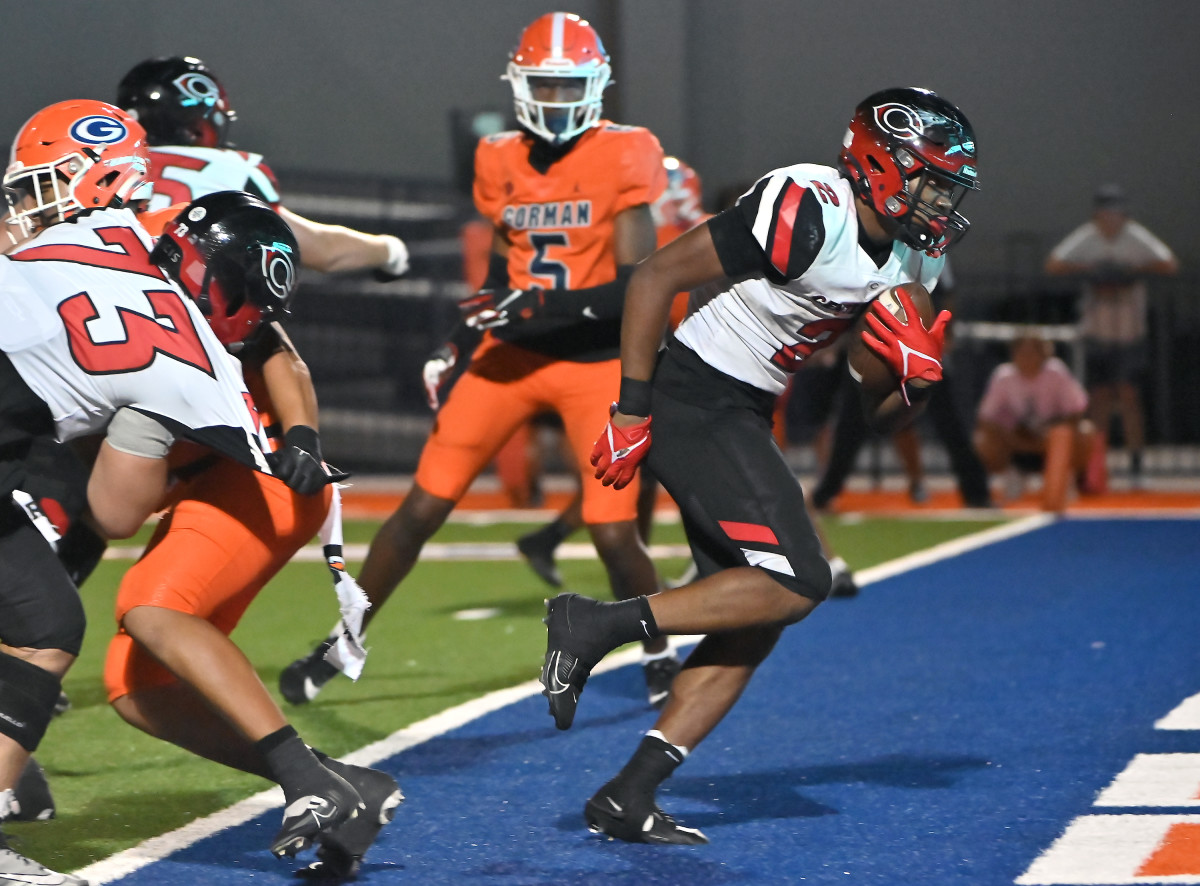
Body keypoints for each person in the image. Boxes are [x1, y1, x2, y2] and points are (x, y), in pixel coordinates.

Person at [541, 86, 976, 844]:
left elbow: (875, 414)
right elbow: (652, 277)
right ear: (881, 162)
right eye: (931, 179)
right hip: (693, 392)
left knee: (758, 614)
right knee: (800, 580)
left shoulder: (915, 258)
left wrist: (915, 377)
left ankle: (629, 793)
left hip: (741, 408)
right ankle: (597, 621)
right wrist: (632, 409)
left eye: (948, 186)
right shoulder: (809, 206)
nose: (940, 202)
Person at [282, 11, 680, 708]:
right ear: (521, 87)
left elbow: (635, 287)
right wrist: (456, 342)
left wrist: (536, 310)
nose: (556, 102)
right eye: (544, 87)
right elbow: (500, 281)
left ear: (595, 87)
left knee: (616, 534)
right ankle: (346, 640)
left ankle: (657, 644)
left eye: (568, 87)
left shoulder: (626, 152)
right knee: (419, 509)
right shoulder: (498, 156)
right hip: (507, 359)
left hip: (591, 363)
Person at [0, 99, 275, 884]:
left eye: (37, 187)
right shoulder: (164, 273)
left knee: (44, 619)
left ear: (91, 183)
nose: (22, 205)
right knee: (42, 616)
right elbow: (117, 515)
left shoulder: (49, 255)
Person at [102, 191, 400, 877]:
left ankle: (308, 781)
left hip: (264, 476)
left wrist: (299, 435)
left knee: (152, 607)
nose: (173, 269)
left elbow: (275, 350)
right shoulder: (134, 266)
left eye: (191, 264)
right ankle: (346, 787)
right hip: (211, 478)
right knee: (135, 685)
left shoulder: (234, 324)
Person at [513, 155, 711, 590]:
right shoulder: (671, 240)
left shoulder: (636, 235)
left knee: (631, 477)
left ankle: (564, 545)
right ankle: (679, 568)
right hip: (629, 375)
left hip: (622, 370)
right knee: (638, 476)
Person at [116, 55, 411, 279]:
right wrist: (390, 250)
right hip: (187, 322)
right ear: (200, 121)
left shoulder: (108, 161)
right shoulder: (232, 169)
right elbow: (323, 251)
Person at [811, 258, 993, 509]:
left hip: (919, 346)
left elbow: (946, 293)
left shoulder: (930, 250)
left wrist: (944, 337)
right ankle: (826, 493)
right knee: (851, 424)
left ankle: (976, 493)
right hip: (876, 345)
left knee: (949, 423)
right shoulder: (866, 247)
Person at [1044, 183, 1178, 488]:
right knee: (1100, 398)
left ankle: (1135, 463)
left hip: (1130, 330)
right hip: (1097, 330)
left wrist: (1130, 272)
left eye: (1116, 212)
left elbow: (1168, 263)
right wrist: (1091, 269)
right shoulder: (1087, 238)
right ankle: (1095, 462)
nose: (1110, 218)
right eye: (1105, 212)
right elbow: (1054, 264)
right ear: (1097, 215)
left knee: (1129, 397)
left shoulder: (1135, 237)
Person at [972, 333, 1096, 511]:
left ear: (1044, 354)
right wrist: (1013, 437)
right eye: (1022, 352)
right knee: (982, 441)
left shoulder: (1056, 373)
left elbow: (1077, 409)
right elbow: (985, 418)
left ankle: (1063, 475)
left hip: (1051, 442)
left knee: (1085, 432)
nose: (1027, 358)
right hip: (1016, 442)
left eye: (1032, 352)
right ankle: (1012, 473)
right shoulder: (1003, 376)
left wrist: (1051, 434)